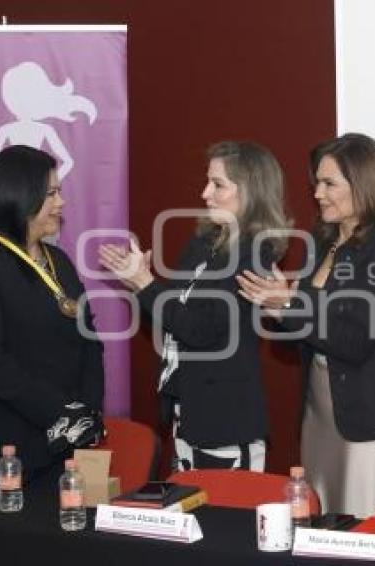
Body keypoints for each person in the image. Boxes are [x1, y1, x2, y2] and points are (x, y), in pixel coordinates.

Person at [237, 133, 375, 516]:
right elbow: (296, 339)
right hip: (319, 413)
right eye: (316, 183)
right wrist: (276, 307)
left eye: (329, 183)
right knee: (319, 522)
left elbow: (357, 340)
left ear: (364, 185)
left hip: (367, 415)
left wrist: (287, 305)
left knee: (365, 524)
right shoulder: (322, 242)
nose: (318, 193)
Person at [99, 141, 287, 471]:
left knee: (224, 518)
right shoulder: (203, 243)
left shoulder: (256, 252)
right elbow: (172, 319)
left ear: (251, 191)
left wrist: (146, 284)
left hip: (225, 420)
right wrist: (137, 282)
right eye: (208, 182)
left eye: (218, 185)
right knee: (189, 514)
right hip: (187, 410)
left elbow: (202, 331)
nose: (205, 193)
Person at [0, 145, 105, 486]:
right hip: (1, 453)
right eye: (51, 194)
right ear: (19, 197)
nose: (61, 203)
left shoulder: (58, 260)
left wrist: (86, 414)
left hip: (65, 448)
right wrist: (60, 413)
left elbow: (89, 339)